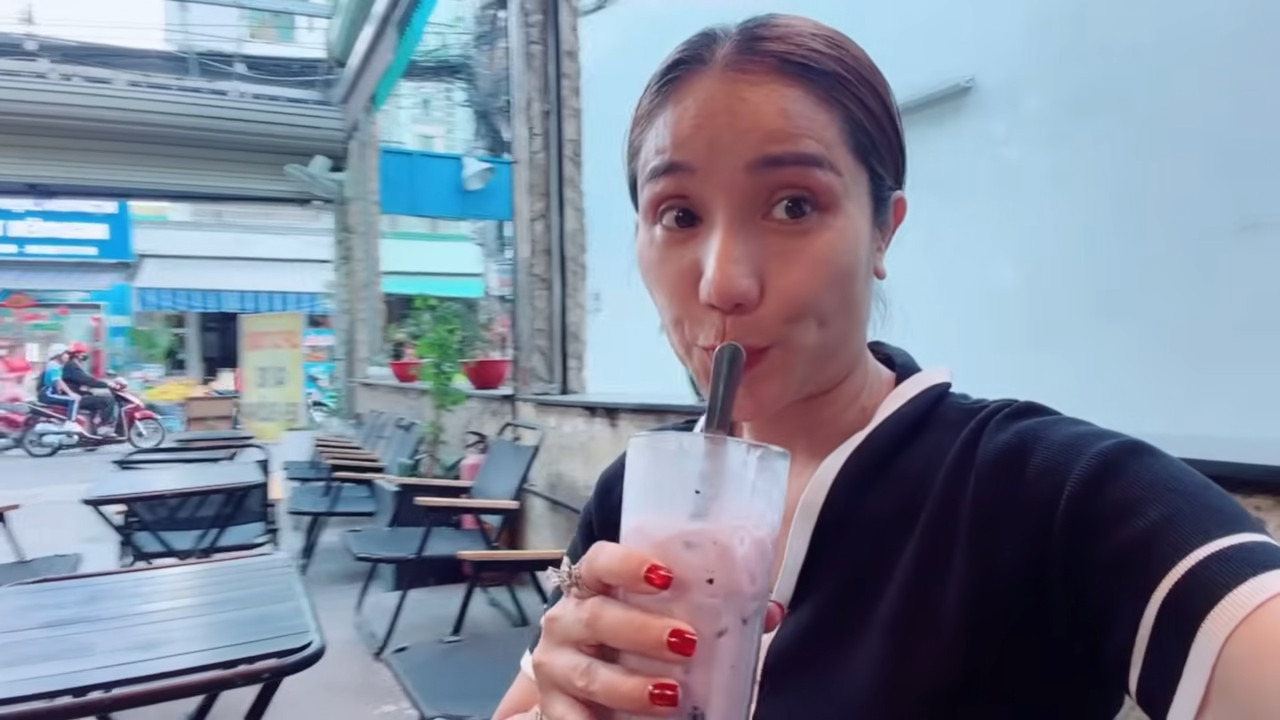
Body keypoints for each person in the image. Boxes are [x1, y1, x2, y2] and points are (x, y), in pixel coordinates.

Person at [495, 14, 1280, 720]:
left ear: (882, 230)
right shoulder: (636, 494)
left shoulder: (1043, 492)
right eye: (679, 214)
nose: (723, 283)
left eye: (793, 205)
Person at [63, 342, 115, 435]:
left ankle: (94, 428)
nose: (85, 355)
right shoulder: (71, 366)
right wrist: (106, 384)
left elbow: (85, 380)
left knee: (96, 398)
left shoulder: (74, 365)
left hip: (76, 395)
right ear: (77, 354)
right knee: (108, 401)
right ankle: (103, 426)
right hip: (74, 398)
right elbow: (86, 380)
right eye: (83, 353)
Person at [37, 344, 81, 432]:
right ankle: (70, 423)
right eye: (66, 354)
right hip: (47, 393)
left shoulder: (55, 365)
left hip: (48, 393)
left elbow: (57, 383)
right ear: (58, 354)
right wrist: (71, 393)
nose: (68, 356)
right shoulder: (53, 365)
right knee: (73, 400)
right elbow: (58, 381)